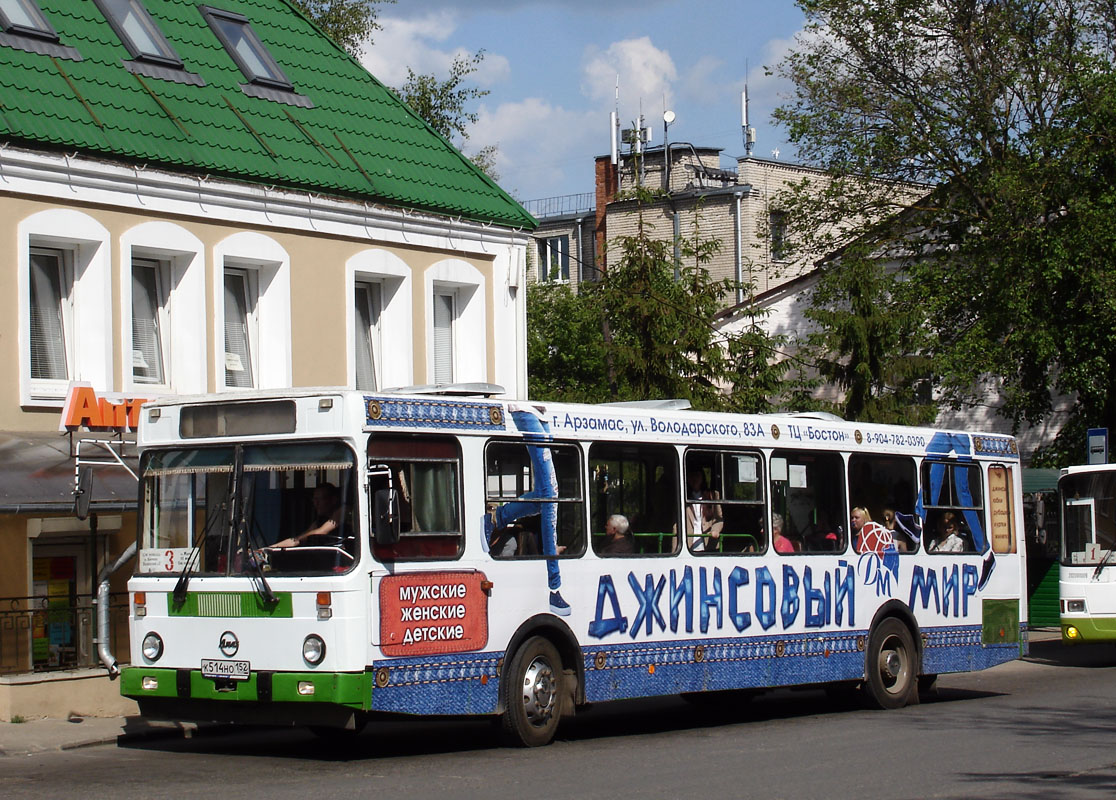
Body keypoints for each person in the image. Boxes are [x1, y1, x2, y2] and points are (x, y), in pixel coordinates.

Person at [274, 483, 343, 548]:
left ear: (334, 500)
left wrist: (298, 540)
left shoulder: (343, 512)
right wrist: (271, 548)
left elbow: (321, 532)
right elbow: (298, 538)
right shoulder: (320, 521)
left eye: (319, 499)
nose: (316, 503)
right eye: (314, 499)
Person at [686, 468, 723, 552]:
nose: (694, 479)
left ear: (702, 478)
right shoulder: (681, 495)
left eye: (697, 476)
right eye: (691, 476)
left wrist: (715, 531)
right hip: (688, 545)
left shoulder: (713, 495)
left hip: (708, 544)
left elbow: (719, 519)